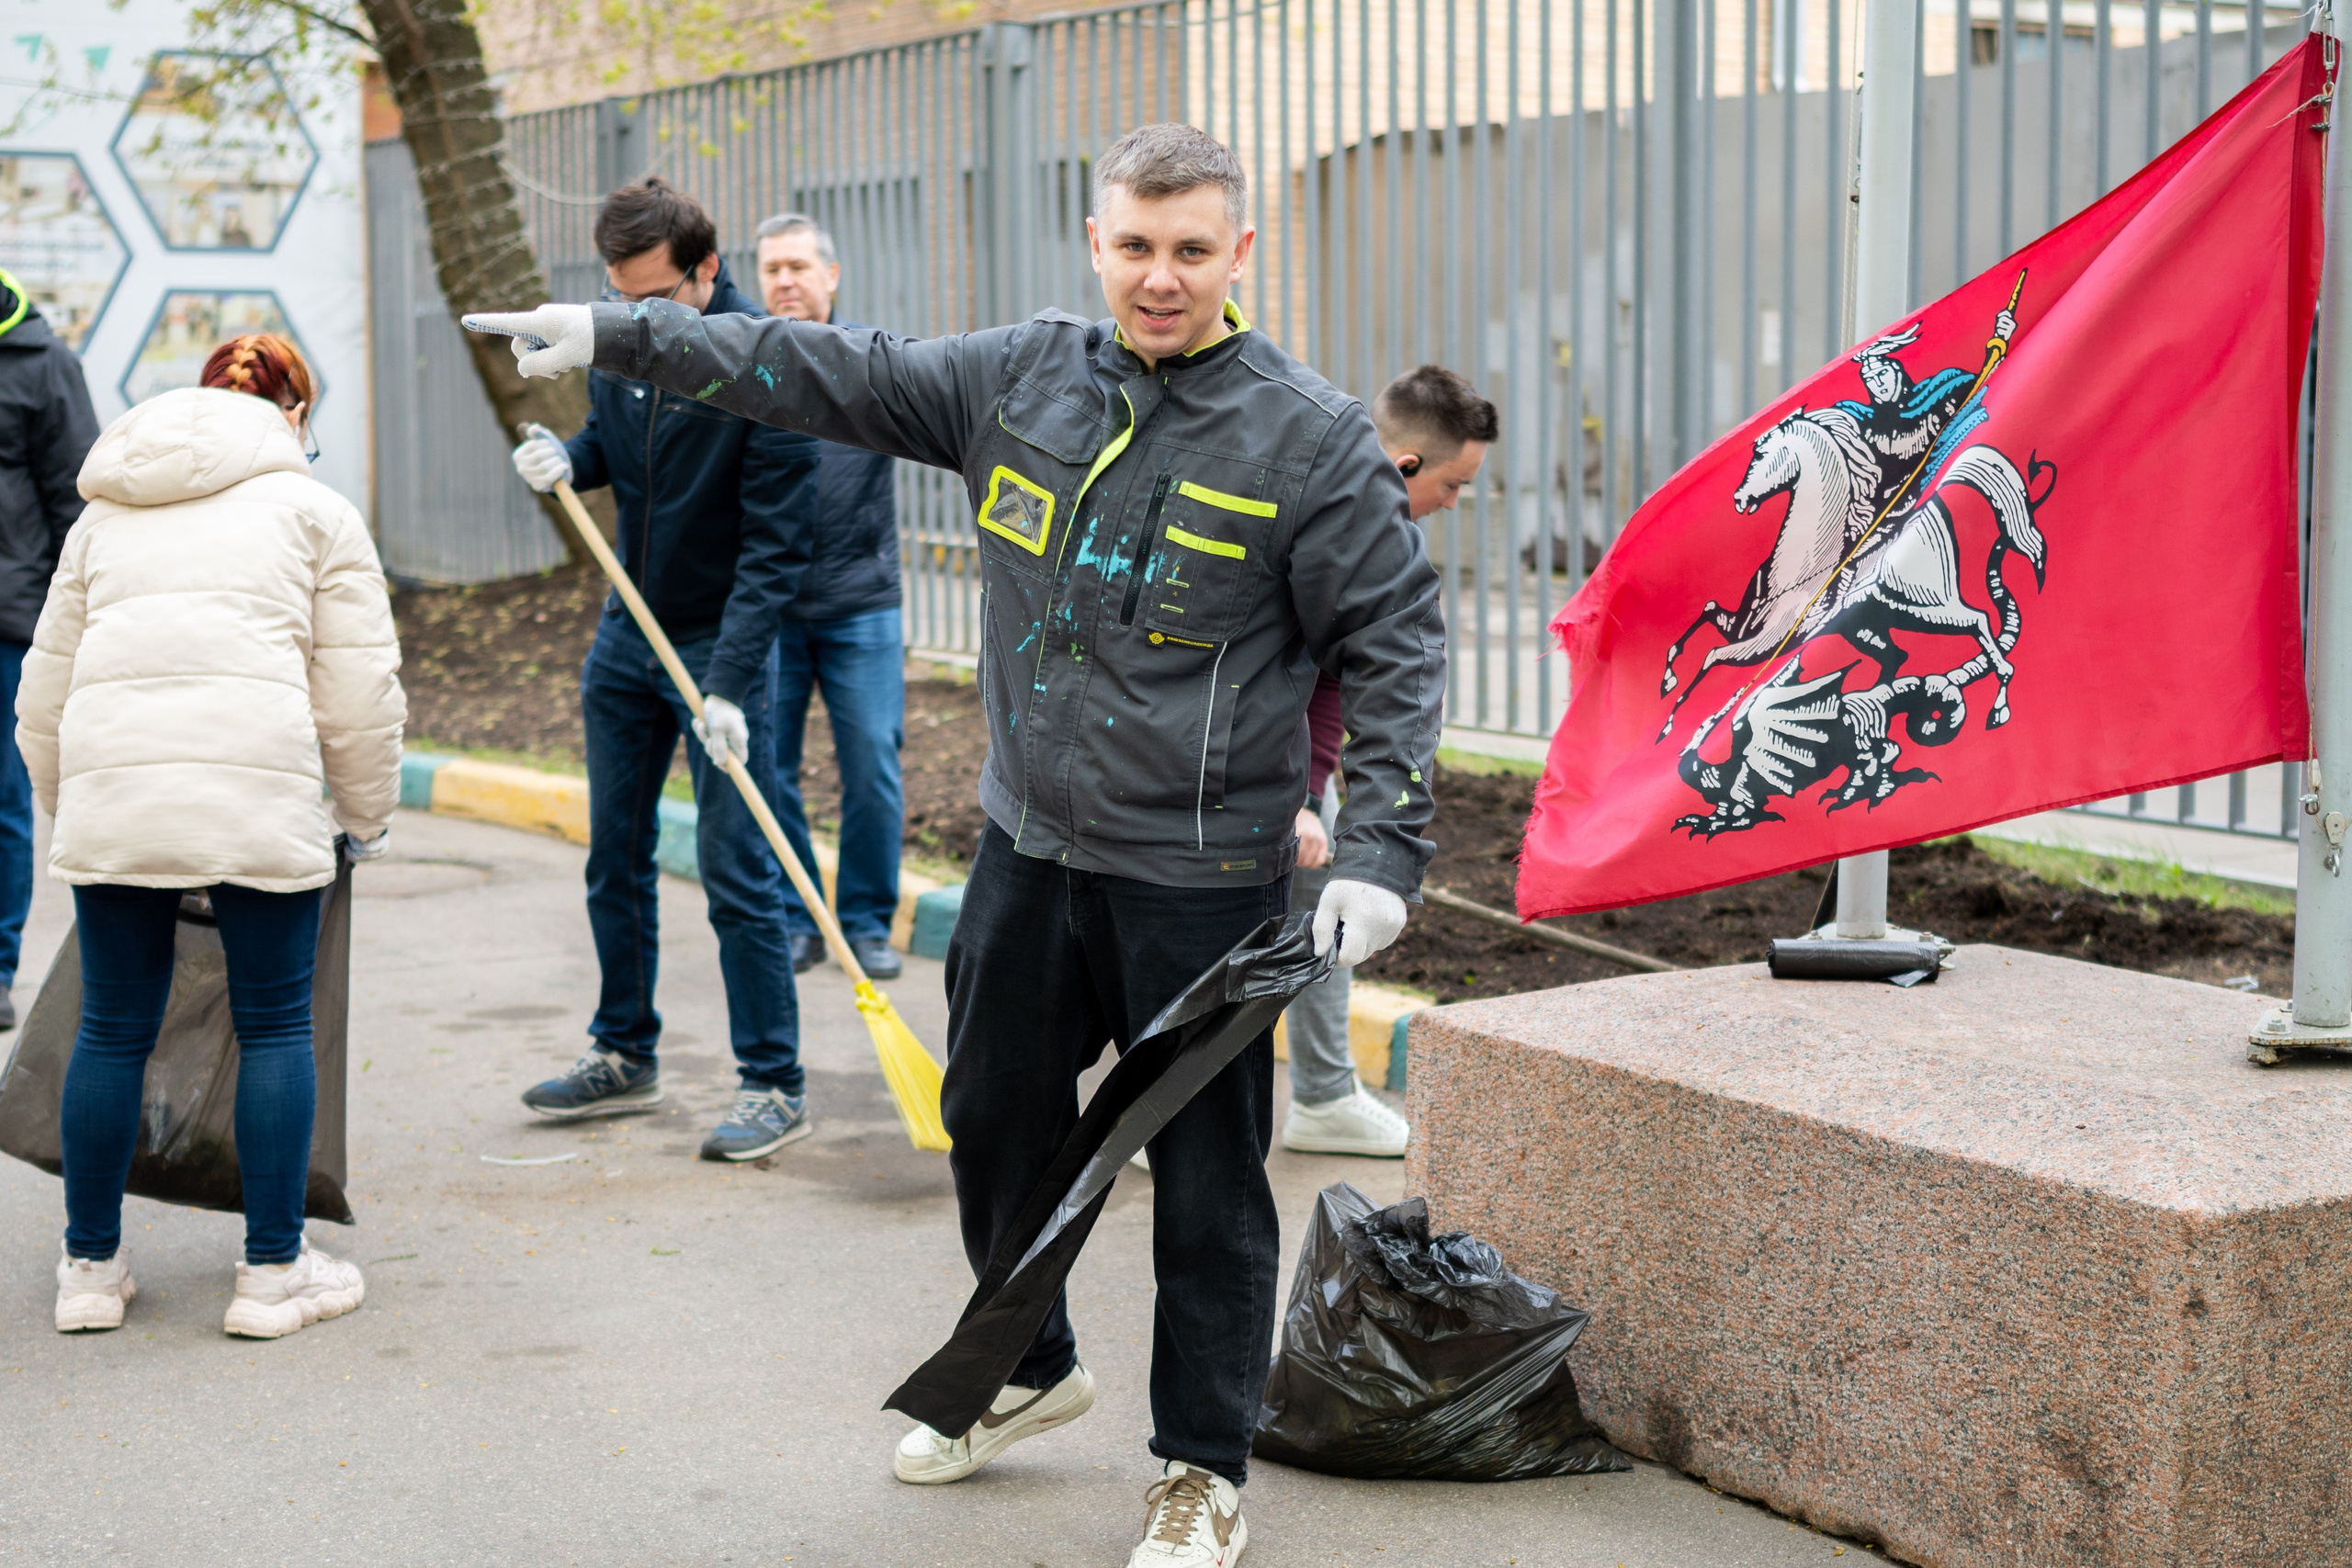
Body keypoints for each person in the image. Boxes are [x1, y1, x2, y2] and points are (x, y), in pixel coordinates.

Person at [471, 121, 1444, 1568]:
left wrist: (1378, 849)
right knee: (991, 1118)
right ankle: (1032, 1364)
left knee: (1206, 1178)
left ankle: (1199, 1465)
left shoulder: (1303, 437)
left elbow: (1398, 643)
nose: (1159, 278)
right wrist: (617, 334)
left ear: (1241, 252)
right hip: (1031, 850)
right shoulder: (1021, 374)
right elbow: (818, 367)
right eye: (1135, 246)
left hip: (1202, 878)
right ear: (1096, 240)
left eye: (1190, 249)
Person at [21, 333, 403, 1337]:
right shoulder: (316, 513)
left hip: (116, 801)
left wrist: (80, 811)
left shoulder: (104, 518)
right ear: (294, 417)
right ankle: (273, 1275)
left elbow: (42, 696)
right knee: (275, 1024)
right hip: (256, 794)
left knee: (111, 1025)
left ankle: (89, 1273)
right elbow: (359, 697)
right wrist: (364, 817)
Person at [505, 177, 824, 1162]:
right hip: (626, 632)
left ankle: (774, 1081)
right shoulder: (622, 340)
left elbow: (775, 551)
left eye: (653, 296)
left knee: (735, 871)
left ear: (708, 269)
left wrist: (730, 682)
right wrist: (569, 457)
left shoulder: (767, 370)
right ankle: (623, 1052)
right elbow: (610, 441)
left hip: (716, 645)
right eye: (617, 293)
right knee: (614, 856)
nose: (632, 315)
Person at [1279, 365, 1494, 1158]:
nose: (1452, 502)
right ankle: (1155, 1108)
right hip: (1216, 766)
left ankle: (1326, 1095)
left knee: (1326, 903)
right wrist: (1292, 796)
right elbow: (1259, 669)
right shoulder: (1307, 510)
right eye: (1453, 483)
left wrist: (1314, 794)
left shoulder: (1384, 544)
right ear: (1405, 465)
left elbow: (1336, 680)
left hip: (1289, 774)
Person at [752, 212, 907, 983]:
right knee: (768, 765)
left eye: (799, 267)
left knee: (873, 764)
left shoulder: (872, 363)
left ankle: (868, 924)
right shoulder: (740, 364)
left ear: (831, 276)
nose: (784, 281)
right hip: (769, 609)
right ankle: (795, 917)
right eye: (772, 268)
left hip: (862, 602)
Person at [0, 268, 97, 1032]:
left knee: (4, 805)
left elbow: (75, 502)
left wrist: (77, 621)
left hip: (8, 620)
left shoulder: (41, 362)